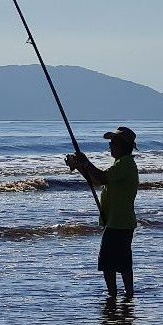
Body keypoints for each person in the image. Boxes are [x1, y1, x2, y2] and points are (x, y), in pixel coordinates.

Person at [65, 126, 139, 300]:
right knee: (120, 261)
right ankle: (125, 294)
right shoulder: (121, 165)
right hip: (119, 221)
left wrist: (86, 162)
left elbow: (102, 177)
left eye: (113, 143)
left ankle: (115, 295)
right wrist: (80, 166)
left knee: (109, 262)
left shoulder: (125, 164)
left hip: (119, 222)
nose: (110, 147)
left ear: (122, 146)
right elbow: (97, 180)